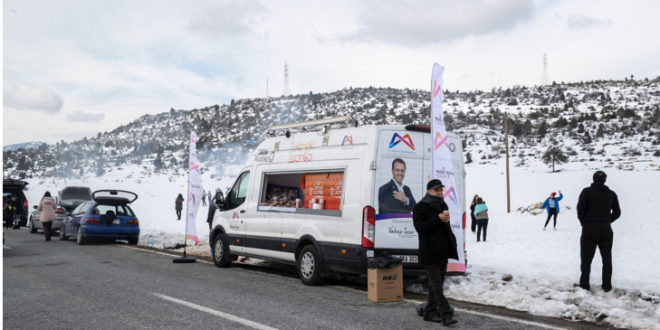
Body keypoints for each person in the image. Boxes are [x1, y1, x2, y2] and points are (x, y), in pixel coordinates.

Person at [412, 179, 458, 326]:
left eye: (441, 190)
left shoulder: (442, 205)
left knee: (434, 286)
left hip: (442, 252)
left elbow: (444, 228)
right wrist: (437, 218)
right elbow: (420, 227)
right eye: (437, 190)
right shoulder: (420, 207)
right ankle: (446, 315)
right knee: (437, 287)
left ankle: (429, 312)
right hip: (430, 252)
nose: (439, 192)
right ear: (429, 191)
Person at [576, 171, 621, 292]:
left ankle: (584, 284)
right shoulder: (611, 194)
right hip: (606, 229)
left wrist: (584, 222)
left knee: (586, 259)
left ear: (593, 179)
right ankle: (607, 286)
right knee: (607, 259)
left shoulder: (586, 192)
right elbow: (617, 213)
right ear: (605, 180)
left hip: (589, 228)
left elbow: (580, 209)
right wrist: (606, 221)